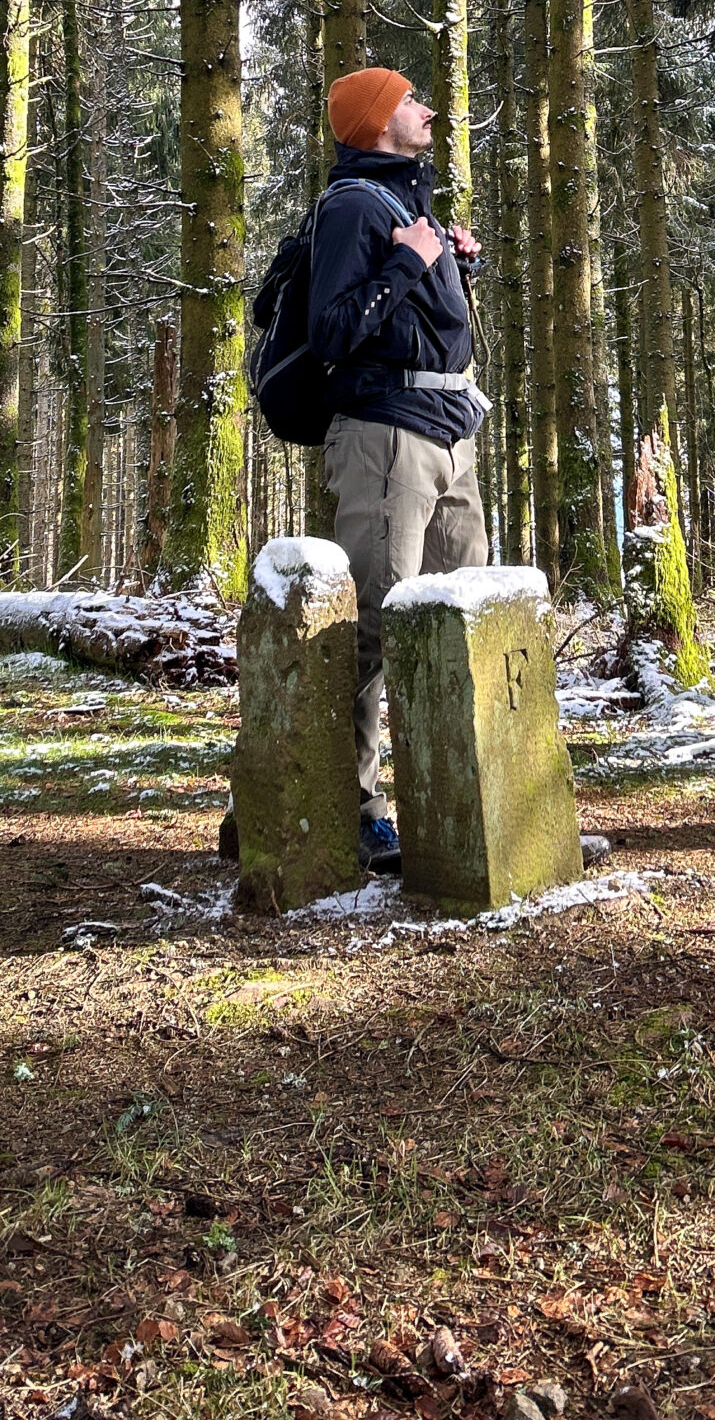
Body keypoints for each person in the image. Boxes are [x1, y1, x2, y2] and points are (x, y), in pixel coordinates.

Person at [309, 65, 489, 869]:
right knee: (375, 629)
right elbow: (333, 334)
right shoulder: (351, 207)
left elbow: (407, 321)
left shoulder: (406, 202)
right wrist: (411, 265)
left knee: (461, 621)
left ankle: (466, 806)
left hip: (450, 431)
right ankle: (352, 811)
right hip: (386, 437)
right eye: (412, 100)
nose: (428, 110)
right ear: (378, 120)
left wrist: (451, 267)